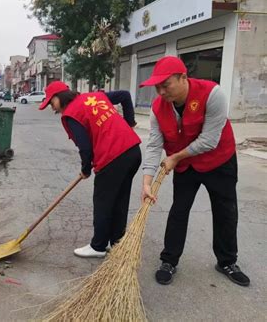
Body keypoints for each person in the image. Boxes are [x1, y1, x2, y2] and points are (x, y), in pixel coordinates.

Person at [140, 56, 250, 286]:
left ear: (183, 78)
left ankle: (227, 261)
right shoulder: (157, 108)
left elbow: (209, 140)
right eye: (157, 87)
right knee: (179, 210)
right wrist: (147, 182)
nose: (161, 92)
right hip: (187, 165)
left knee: (225, 211)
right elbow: (153, 144)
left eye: (165, 85)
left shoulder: (213, 94)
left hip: (219, 161)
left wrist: (175, 157)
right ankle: (169, 260)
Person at [39, 81, 141, 258]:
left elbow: (85, 148)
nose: (51, 107)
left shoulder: (71, 113)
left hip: (113, 157)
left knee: (103, 203)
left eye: (51, 102)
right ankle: (117, 242)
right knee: (119, 200)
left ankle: (98, 246)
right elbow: (125, 94)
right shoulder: (94, 96)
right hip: (133, 151)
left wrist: (85, 169)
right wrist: (129, 123)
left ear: (59, 96)